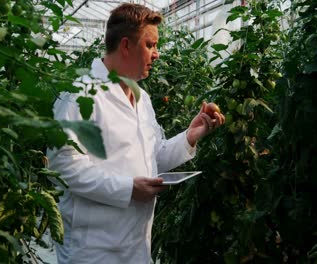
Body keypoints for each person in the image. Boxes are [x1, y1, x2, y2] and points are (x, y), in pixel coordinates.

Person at [46, 3, 225, 263]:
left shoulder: (142, 100)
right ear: (126, 45)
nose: (157, 54)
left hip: (136, 246)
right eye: (150, 45)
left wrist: (190, 136)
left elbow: (154, 158)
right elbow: (61, 167)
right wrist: (127, 189)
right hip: (94, 250)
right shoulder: (80, 96)